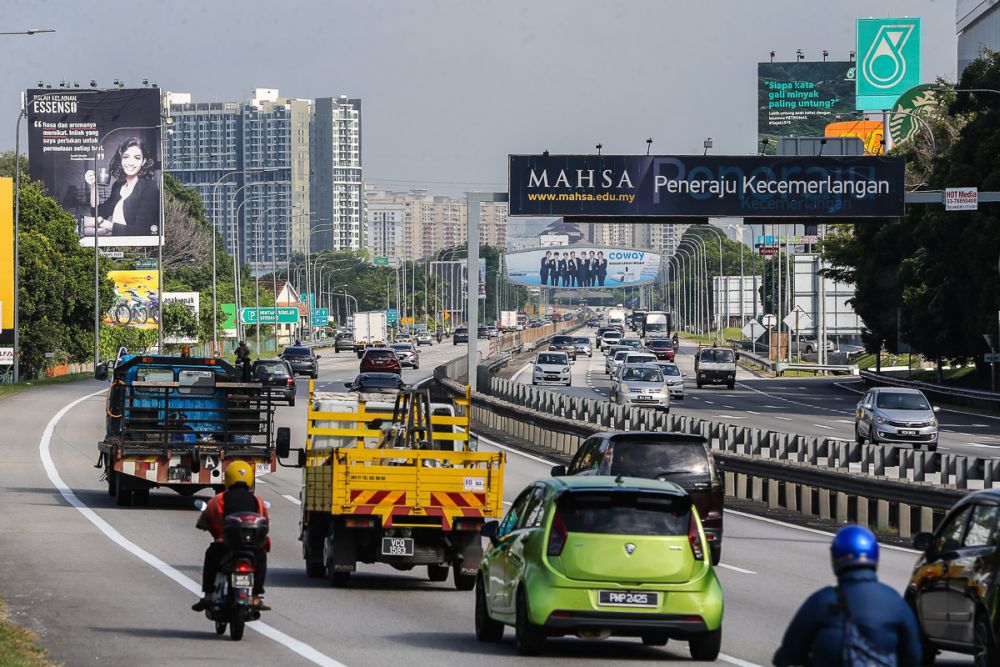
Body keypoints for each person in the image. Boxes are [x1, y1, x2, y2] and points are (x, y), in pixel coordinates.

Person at [772, 525, 921, 667]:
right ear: (875, 555)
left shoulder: (823, 601)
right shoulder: (894, 601)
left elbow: (789, 653)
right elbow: (913, 656)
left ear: (835, 557)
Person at [192, 461, 271, 611]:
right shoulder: (257, 501)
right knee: (261, 557)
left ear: (227, 478)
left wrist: (205, 525)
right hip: (251, 547)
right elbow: (265, 523)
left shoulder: (219, 499)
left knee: (211, 556)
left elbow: (206, 519)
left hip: (225, 545)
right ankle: (255, 597)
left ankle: (208, 595)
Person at [83, 136, 160, 238]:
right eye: (126, 157)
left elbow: (143, 231)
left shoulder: (150, 188)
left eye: (137, 158)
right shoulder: (118, 186)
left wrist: (101, 223)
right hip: (114, 245)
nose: (131, 163)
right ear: (120, 159)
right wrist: (93, 185)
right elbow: (98, 213)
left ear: (143, 161)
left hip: (135, 250)